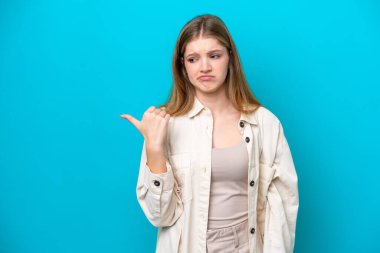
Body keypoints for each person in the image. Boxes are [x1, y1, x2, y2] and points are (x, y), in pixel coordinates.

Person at [121, 14, 299, 253]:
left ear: (230, 59)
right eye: (193, 59)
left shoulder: (265, 123)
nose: (204, 67)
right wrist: (154, 149)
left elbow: (283, 209)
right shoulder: (164, 124)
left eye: (214, 56)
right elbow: (159, 217)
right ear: (182, 66)